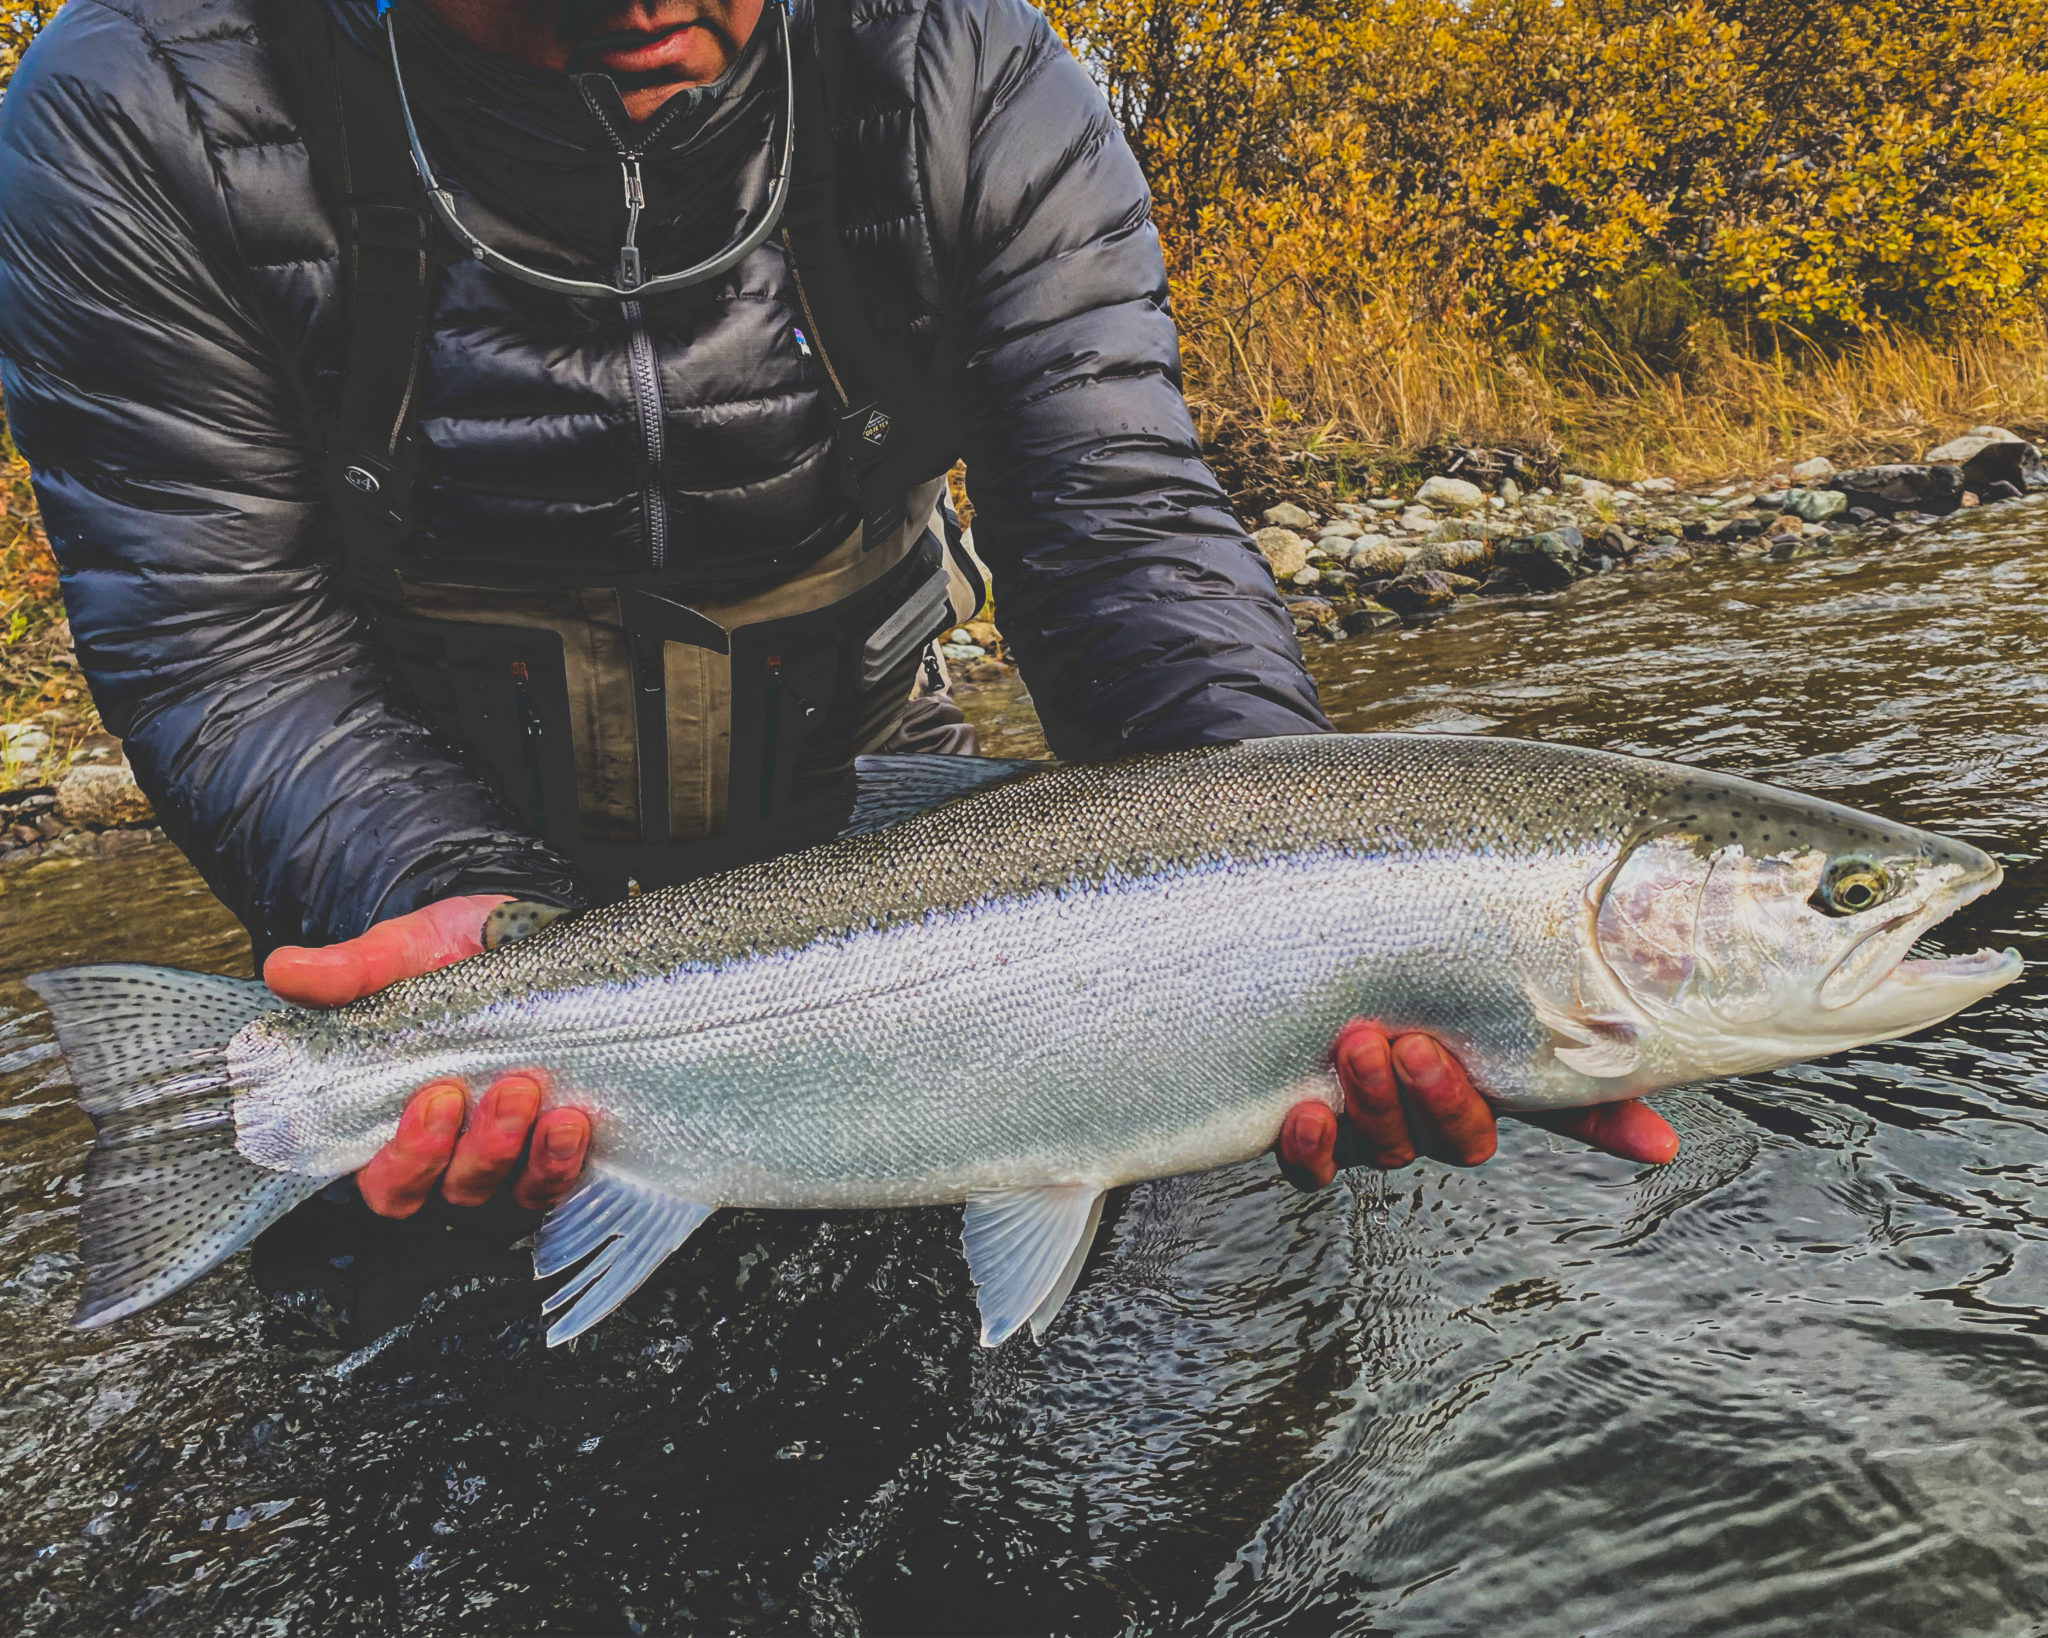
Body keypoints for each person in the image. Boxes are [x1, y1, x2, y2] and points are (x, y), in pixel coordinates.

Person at [0, 0, 1675, 1247]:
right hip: (420, 883)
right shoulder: (142, 108)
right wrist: (447, 914)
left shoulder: (967, 74)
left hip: (891, 846)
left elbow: (1123, 535)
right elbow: (225, 641)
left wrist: (1298, 915)